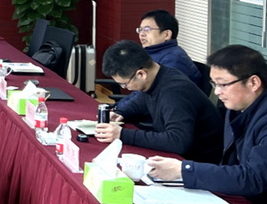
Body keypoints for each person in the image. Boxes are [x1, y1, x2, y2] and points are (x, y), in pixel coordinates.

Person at [148, 45, 267, 204]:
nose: (217, 92)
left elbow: (255, 178)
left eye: (223, 84)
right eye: (214, 84)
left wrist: (183, 170)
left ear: (253, 83)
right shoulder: (236, 107)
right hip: (243, 201)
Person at [95, 40, 223, 163]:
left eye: (124, 84)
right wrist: (121, 113)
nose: (126, 88)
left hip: (195, 162)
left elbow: (178, 141)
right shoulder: (158, 76)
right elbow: (141, 101)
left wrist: (122, 134)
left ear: (141, 74)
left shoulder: (174, 92)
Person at [113, 10, 203, 114]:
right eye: (140, 30)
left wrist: (120, 110)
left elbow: (150, 98)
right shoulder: (153, 54)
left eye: (147, 29)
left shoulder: (173, 60)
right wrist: (117, 107)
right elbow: (138, 93)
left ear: (166, 34)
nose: (142, 34)